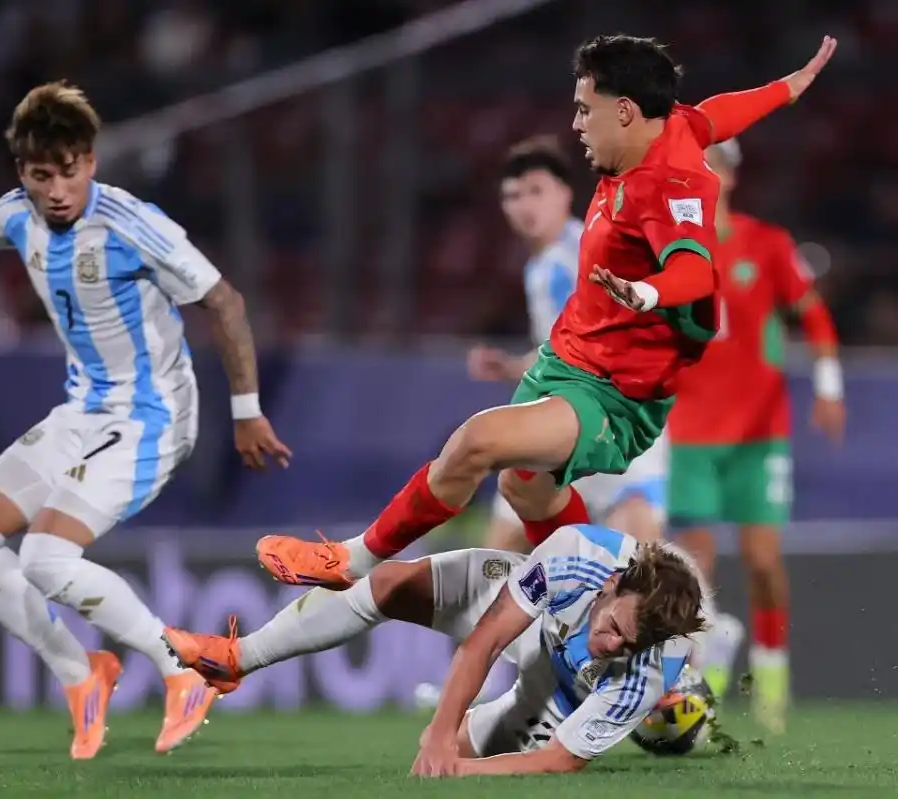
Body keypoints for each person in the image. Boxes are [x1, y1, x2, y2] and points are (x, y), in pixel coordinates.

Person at [252, 34, 838, 592]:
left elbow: (693, 267)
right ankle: (584, 611)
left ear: (627, 112)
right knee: (523, 489)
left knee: (478, 441)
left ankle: (351, 561)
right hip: (568, 359)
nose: (577, 125)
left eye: (586, 110)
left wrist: (649, 293)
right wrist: (790, 85)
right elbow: (719, 114)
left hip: (615, 394)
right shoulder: (676, 126)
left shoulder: (668, 185)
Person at [0, 81, 292, 759]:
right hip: (81, 411)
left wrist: (246, 412)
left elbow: (226, 303)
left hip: (153, 415)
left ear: (91, 161)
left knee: (44, 557)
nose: (58, 189)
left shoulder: (130, 222)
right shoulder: (17, 215)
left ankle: (183, 667)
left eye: (71, 170)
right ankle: (80, 669)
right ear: (21, 175)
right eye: (41, 176)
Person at [162, 524, 706, 775]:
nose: (606, 645)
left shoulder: (651, 667)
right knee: (389, 585)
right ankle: (238, 660)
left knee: (445, 761)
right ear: (612, 582)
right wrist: (440, 732)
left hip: (559, 696)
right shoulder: (576, 554)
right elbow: (487, 639)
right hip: (527, 623)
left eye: (624, 645)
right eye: (613, 625)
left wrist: (452, 758)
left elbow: (561, 759)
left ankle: (679, 726)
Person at [667, 138, 845, 733]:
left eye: (714, 167)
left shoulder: (766, 244)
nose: (706, 176)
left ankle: (771, 675)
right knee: (696, 568)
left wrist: (828, 387)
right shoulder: (671, 251)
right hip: (689, 430)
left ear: (732, 176)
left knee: (763, 559)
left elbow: (814, 316)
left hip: (759, 432)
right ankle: (706, 673)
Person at [468, 136, 666, 551]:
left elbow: (603, 345)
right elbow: (565, 350)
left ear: (564, 193)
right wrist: (510, 366)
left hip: (611, 425)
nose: (524, 205)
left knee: (631, 572)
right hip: (573, 424)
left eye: (536, 191)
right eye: (512, 195)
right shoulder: (543, 265)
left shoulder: (577, 257)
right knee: (509, 555)